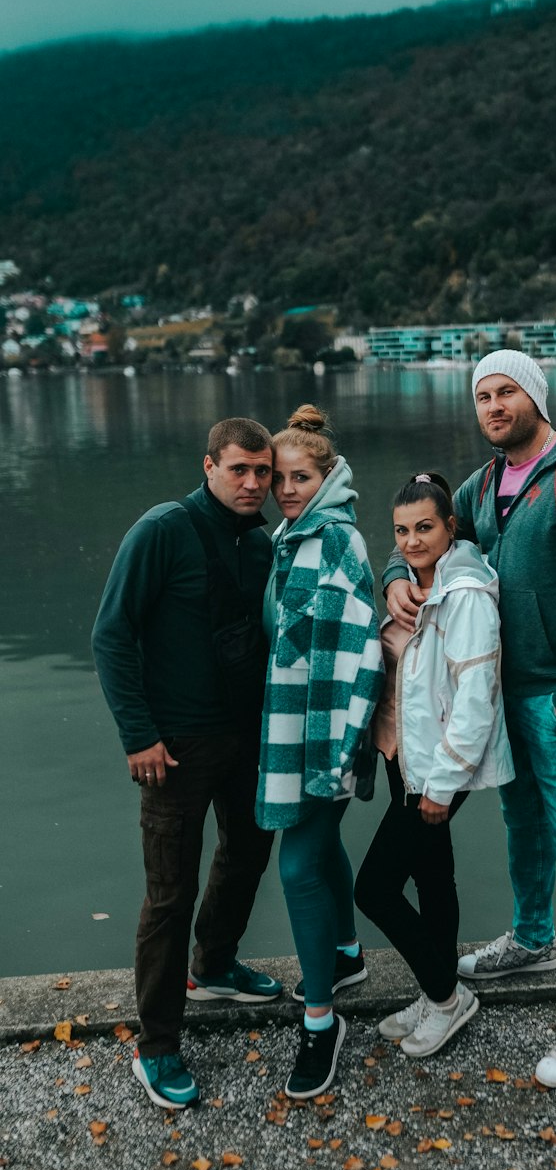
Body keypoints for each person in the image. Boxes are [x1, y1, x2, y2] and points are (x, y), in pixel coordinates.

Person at [384, 352, 556, 1089]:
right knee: (522, 827)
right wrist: (397, 575)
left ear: (536, 395)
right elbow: (427, 532)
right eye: (483, 395)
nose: (493, 405)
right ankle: (531, 939)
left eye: (506, 391)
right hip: (501, 694)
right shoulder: (485, 483)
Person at [92, 417, 280, 1110]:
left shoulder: (260, 544)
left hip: (245, 738)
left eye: (262, 471)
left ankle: (214, 962)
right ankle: (158, 1045)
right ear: (209, 466)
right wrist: (138, 734)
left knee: (250, 849)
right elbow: (111, 633)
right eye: (239, 469)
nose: (253, 483)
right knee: (169, 892)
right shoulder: (164, 529)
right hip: (173, 746)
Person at [356, 471, 514, 1057]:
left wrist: (442, 785)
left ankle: (448, 999)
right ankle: (434, 990)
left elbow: (477, 699)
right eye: (401, 531)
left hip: (437, 767)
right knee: (430, 876)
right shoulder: (415, 583)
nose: (411, 541)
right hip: (406, 754)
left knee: (372, 888)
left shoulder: (465, 593)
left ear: (452, 526)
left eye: (425, 527)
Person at [257, 405, 383, 1100]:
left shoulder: (332, 540)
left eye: (299, 476)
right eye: (280, 478)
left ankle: (320, 1021)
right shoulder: (292, 535)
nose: (286, 488)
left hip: (324, 736)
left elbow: (354, 656)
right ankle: (344, 953)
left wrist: (338, 753)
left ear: (329, 474)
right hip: (302, 732)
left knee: (298, 863)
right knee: (320, 846)